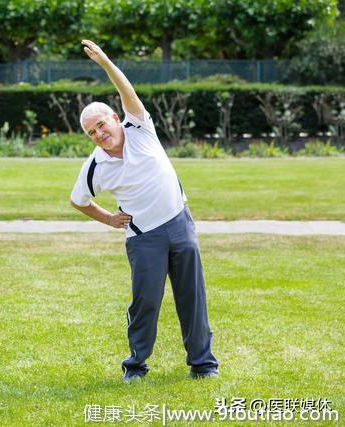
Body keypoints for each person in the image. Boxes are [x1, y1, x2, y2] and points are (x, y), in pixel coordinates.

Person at [70, 40, 219, 382]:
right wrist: (108, 218)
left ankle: (203, 364)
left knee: (191, 297)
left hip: (180, 223)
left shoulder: (139, 127)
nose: (99, 134)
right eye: (91, 132)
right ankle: (136, 366)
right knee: (145, 304)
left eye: (102, 125)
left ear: (115, 117)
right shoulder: (95, 167)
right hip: (144, 238)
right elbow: (78, 200)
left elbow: (127, 91)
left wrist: (105, 61)